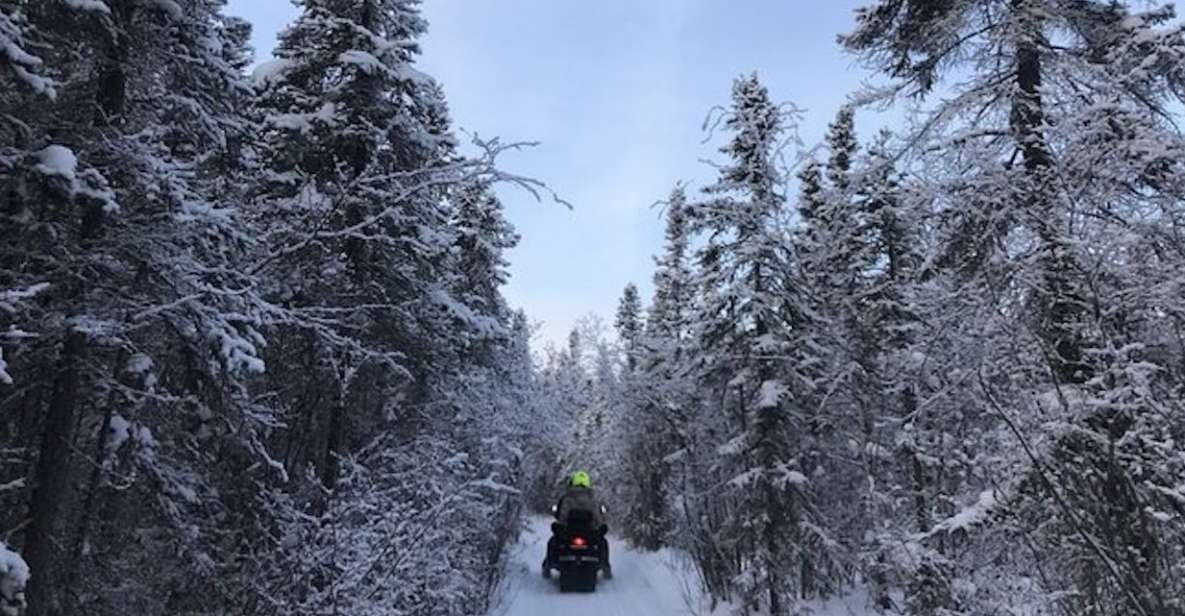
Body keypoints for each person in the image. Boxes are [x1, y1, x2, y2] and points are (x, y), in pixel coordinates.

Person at [543, 470, 611, 578]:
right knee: (603, 543)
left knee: (553, 542)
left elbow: (562, 517)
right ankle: (606, 567)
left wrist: (560, 527)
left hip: (568, 534)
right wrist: (600, 526)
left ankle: (548, 565)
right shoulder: (592, 500)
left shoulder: (567, 499)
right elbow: (598, 518)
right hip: (589, 535)